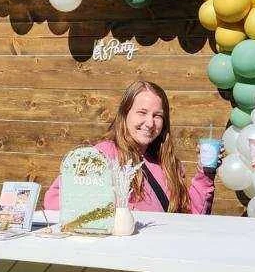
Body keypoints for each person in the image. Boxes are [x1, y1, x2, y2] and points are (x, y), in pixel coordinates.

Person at [43, 79, 215, 215]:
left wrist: (205, 174)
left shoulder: (169, 165)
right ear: (125, 114)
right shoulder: (103, 155)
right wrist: (113, 213)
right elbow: (54, 201)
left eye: (157, 116)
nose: (149, 123)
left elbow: (191, 217)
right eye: (142, 112)